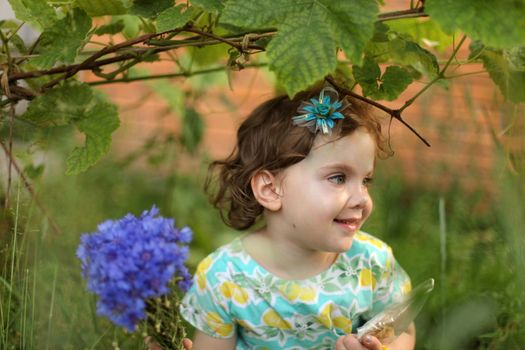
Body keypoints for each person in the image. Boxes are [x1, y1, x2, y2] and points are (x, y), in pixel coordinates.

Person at [179, 84, 415, 350]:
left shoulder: (373, 263)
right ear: (270, 190)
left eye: (366, 180)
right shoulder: (223, 277)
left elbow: (403, 331)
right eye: (338, 178)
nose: (362, 198)